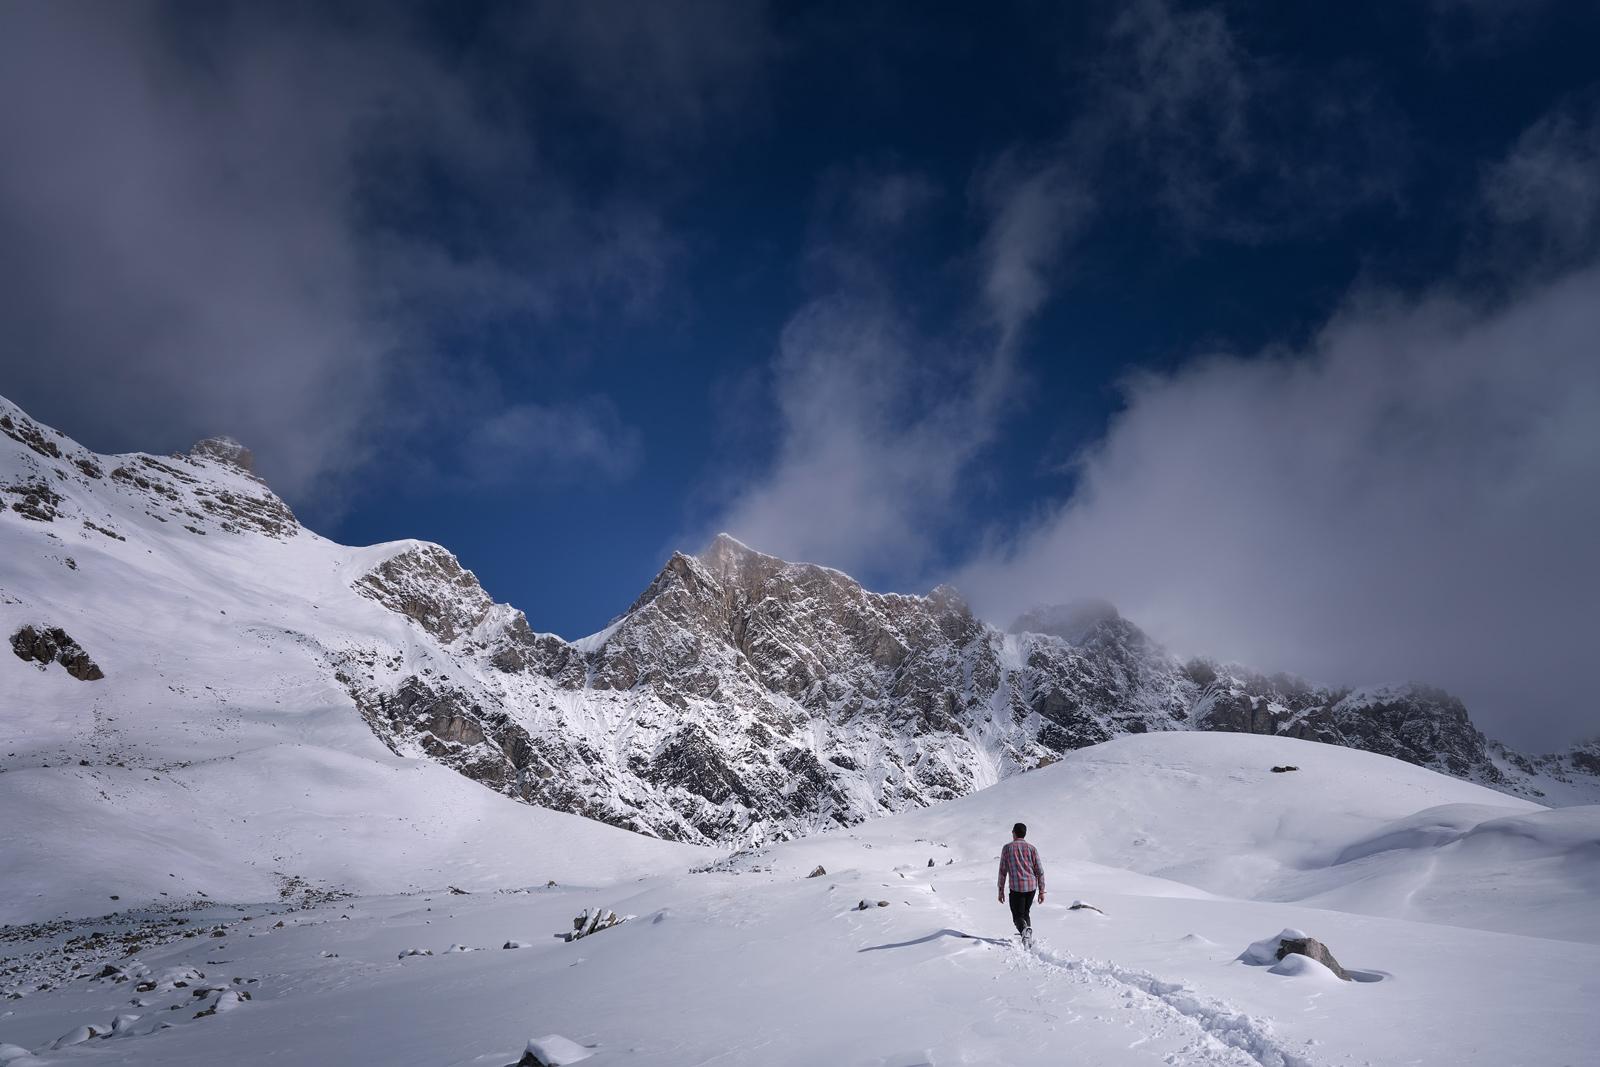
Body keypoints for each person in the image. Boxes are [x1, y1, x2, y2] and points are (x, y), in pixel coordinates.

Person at [997, 821, 1044, 943]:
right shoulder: (1032, 849)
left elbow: (1002, 871)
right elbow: (1040, 871)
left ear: (1013, 833)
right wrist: (1042, 891)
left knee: (1017, 916)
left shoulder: (1007, 848)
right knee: (1025, 912)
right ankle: (1027, 938)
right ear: (1025, 834)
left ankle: (1024, 931)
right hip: (1031, 887)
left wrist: (1000, 890)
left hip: (1016, 888)